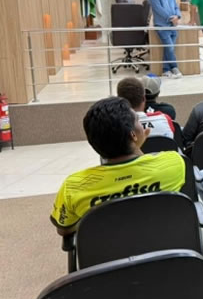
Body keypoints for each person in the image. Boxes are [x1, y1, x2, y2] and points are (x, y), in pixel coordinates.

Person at [50, 97, 185, 235]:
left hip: (106, 248)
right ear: (133, 135)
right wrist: (137, 147)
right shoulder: (173, 162)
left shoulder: (73, 187)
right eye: (138, 120)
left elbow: (64, 229)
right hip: (164, 244)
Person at [147, 0, 182, 78]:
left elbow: (176, 7)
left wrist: (178, 16)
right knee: (169, 47)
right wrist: (171, 18)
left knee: (169, 48)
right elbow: (158, 9)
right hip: (162, 26)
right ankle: (174, 68)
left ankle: (166, 70)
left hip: (173, 26)